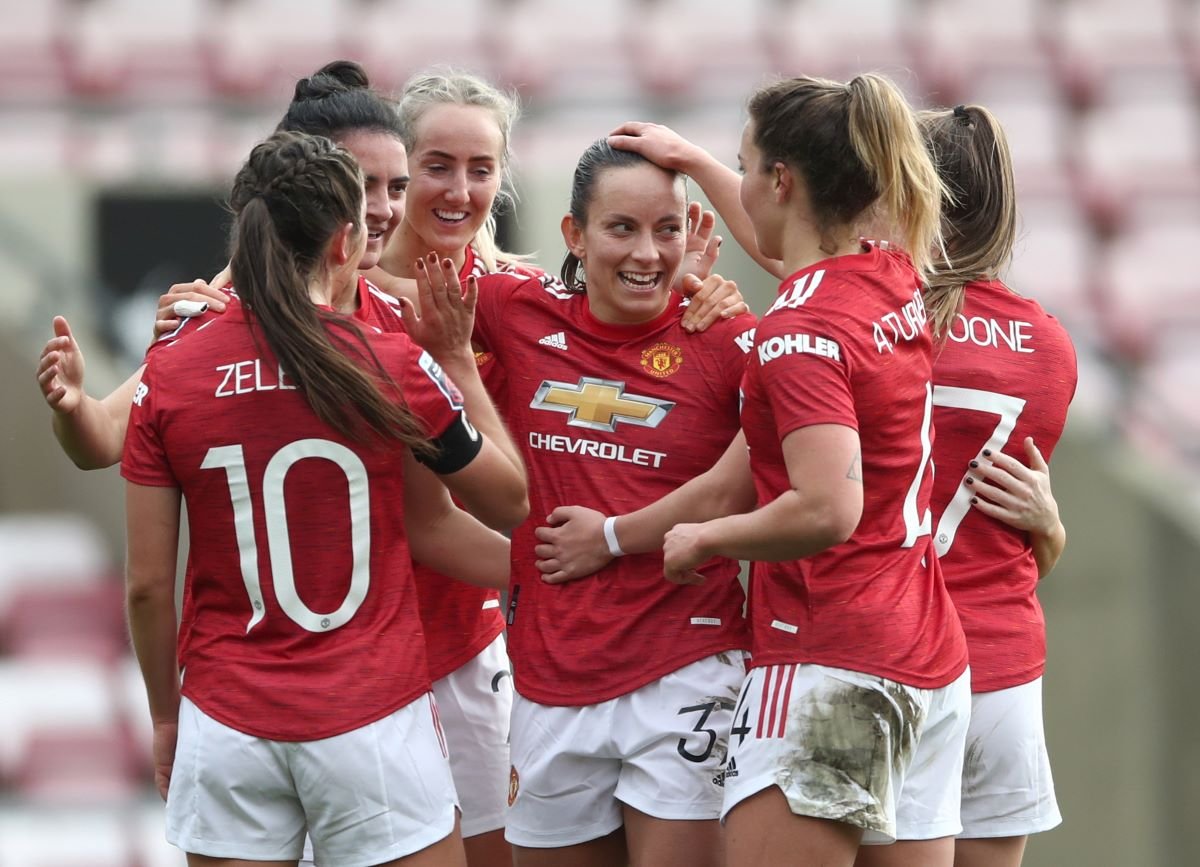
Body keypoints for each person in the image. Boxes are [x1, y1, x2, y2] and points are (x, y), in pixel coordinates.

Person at [536, 74, 970, 867]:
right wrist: (697, 162)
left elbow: (825, 508)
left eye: (743, 165)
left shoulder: (798, 333)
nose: (732, 181)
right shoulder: (889, 272)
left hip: (829, 660)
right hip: (927, 658)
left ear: (781, 181)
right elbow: (786, 250)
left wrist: (706, 539)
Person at [122, 130, 527, 866]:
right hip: (371, 714)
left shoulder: (170, 369)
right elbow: (507, 498)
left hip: (226, 721)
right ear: (346, 242)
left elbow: (149, 586)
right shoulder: (386, 358)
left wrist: (162, 715)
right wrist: (457, 360)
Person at [457, 138, 757, 867]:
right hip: (548, 681)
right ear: (574, 235)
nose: (649, 253)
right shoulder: (514, 310)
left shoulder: (727, 337)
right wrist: (222, 295)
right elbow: (377, 278)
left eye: (668, 229)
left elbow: (776, 470)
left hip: (687, 665)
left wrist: (616, 536)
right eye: (622, 228)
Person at [919, 103, 1076, 867]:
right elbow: (1005, 527)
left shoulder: (867, 317)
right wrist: (1052, 530)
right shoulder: (1049, 344)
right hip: (1003, 665)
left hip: (889, 658)